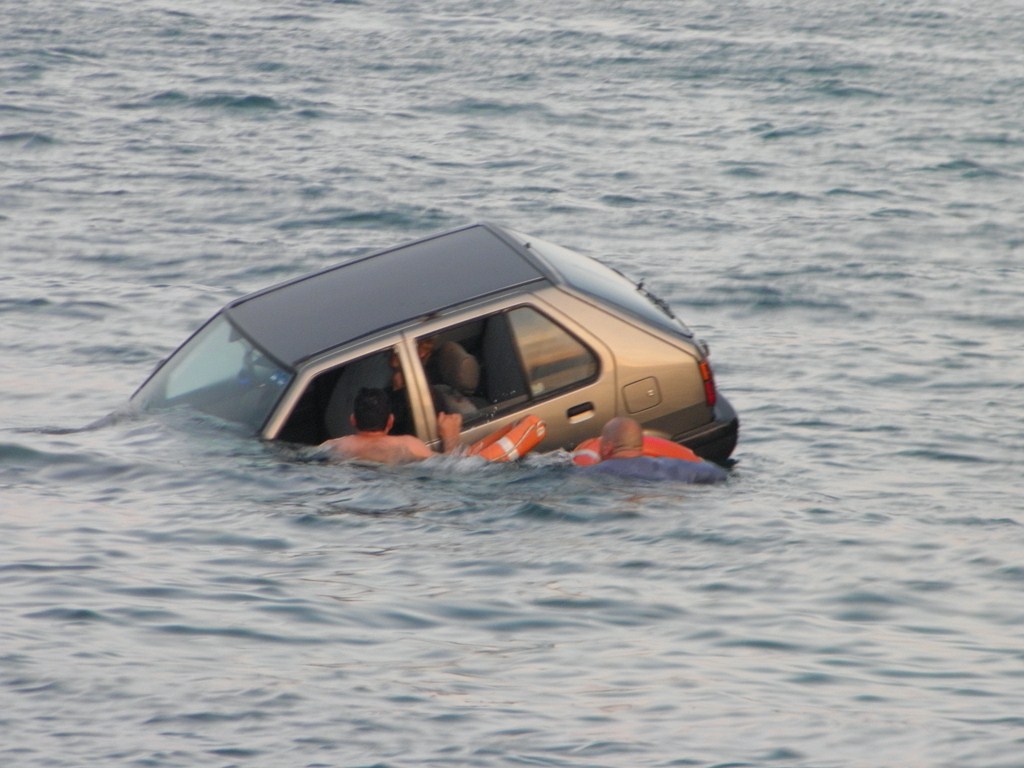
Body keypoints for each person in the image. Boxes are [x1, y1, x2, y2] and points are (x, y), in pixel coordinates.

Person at [322, 387, 462, 465]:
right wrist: (451, 438)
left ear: (353, 420)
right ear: (390, 421)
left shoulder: (334, 446)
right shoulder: (409, 445)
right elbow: (450, 467)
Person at [578, 417, 728, 483]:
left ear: (607, 447)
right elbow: (719, 474)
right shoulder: (672, 466)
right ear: (641, 445)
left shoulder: (594, 473)